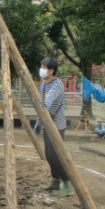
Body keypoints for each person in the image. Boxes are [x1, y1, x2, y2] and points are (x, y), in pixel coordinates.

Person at [34, 57, 73, 197]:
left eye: (44, 67)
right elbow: (41, 107)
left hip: (56, 125)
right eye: (41, 66)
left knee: (57, 155)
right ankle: (55, 181)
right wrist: (38, 123)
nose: (42, 69)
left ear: (51, 70)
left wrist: (42, 119)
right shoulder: (43, 84)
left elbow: (47, 102)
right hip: (46, 123)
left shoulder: (58, 85)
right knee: (49, 155)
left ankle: (68, 184)